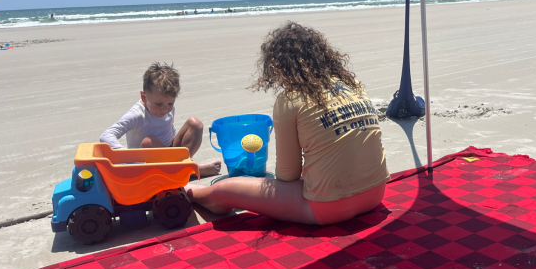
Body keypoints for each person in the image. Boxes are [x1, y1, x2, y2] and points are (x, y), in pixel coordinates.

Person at [188, 22, 390, 225]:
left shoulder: (290, 99)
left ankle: (199, 195)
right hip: (375, 194)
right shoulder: (354, 85)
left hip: (328, 208)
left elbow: (287, 175)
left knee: (227, 187)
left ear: (280, 68)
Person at [100, 62, 221, 177]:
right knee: (148, 141)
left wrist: (177, 148)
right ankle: (186, 169)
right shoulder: (136, 115)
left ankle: (183, 166)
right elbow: (106, 135)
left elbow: (168, 126)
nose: (165, 109)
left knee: (195, 124)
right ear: (143, 96)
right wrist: (126, 155)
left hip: (169, 151)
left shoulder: (167, 107)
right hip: (146, 161)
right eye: (158, 104)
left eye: (170, 103)